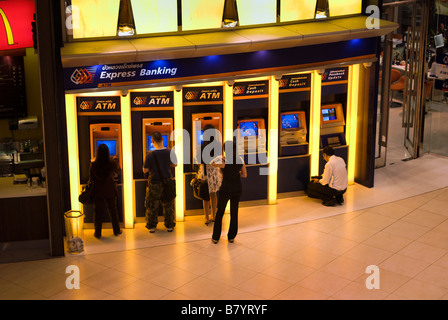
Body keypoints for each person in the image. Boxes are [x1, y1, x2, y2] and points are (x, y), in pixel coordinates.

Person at [211, 140, 247, 244]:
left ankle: (216, 237)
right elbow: (244, 175)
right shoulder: (240, 160)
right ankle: (231, 237)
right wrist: (237, 172)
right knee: (234, 212)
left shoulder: (224, 162)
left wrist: (219, 158)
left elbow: (211, 163)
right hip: (237, 189)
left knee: (220, 212)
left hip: (226, 189)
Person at [143, 131, 177, 233]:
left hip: (154, 183)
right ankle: (170, 225)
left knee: (152, 205)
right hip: (167, 181)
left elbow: (145, 170)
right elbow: (175, 164)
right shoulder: (170, 152)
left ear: (152, 141)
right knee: (168, 204)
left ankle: (152, 226)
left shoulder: (149, 155)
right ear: (162, 139)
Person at [89, 143, 122, 239]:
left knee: (98, 212)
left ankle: (98, 233)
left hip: (98, 191)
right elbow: (119, 172)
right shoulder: (112, 163)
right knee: (113, 211)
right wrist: (116, 160)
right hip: (110, 190)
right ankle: (116, 231)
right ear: (108, 152)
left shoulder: (93, 164)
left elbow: (91, 177)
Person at [199, 124, 222, 225]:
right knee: (213, 195)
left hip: (205, 172)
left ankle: (206, 217)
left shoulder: (202, 146)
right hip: (215, 172)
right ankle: (214, 215)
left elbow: (199, 161)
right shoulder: (218, 145)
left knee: (205, 196)